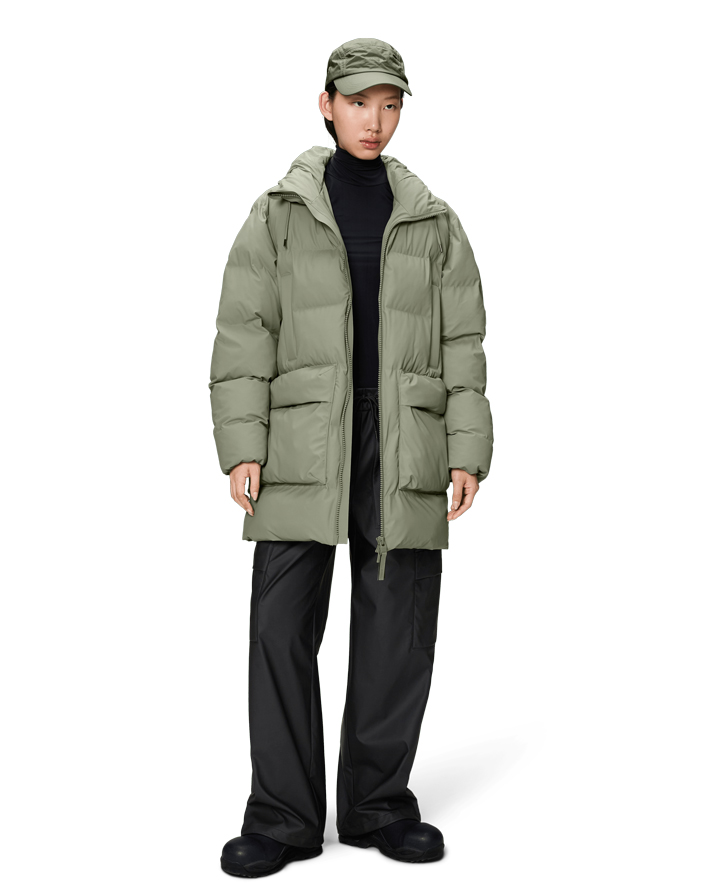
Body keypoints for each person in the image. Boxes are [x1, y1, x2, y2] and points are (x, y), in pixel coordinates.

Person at [209, 37, 493, 879]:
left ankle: (377, 804)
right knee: (280, 626)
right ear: (326, 104)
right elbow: (243, 332)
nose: (375, 120)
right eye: (360, 102)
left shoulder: (434, 220)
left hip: (405, 437)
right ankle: (283, 816)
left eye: (390, 104)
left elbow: (464, 342)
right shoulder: (279, 213)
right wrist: (242, 444)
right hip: (302, 435)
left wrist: (467, 448)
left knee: (398, 627)